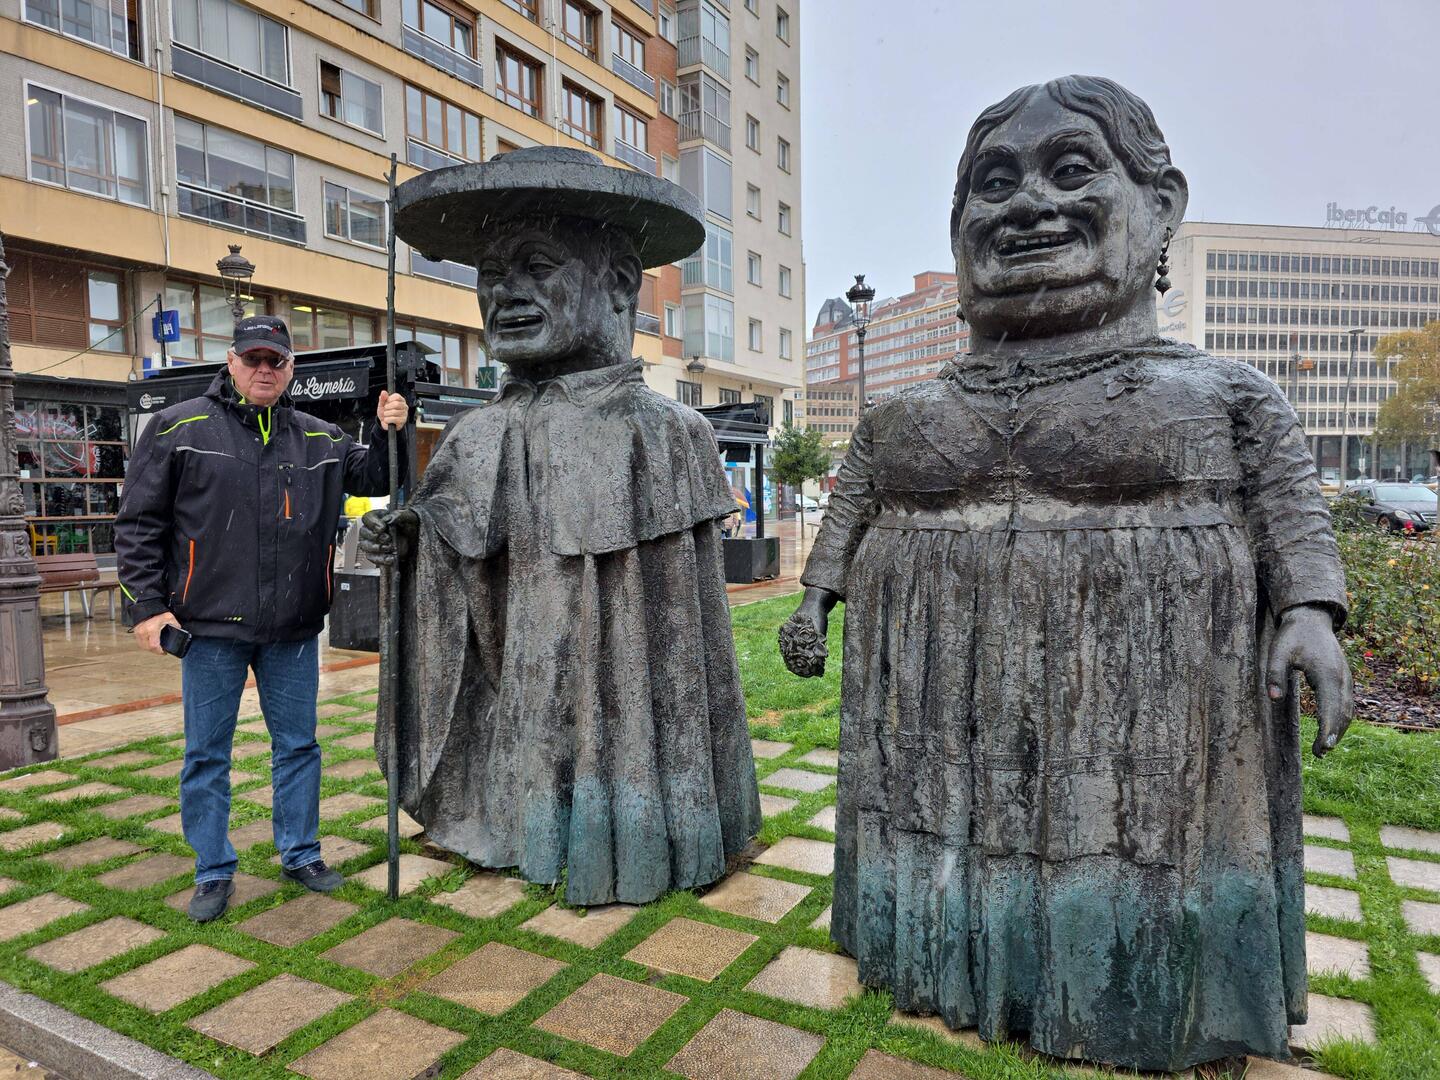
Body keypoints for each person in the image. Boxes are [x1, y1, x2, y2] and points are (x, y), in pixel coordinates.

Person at [780, 75, 1352, 1071]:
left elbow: (1289, 503)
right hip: (940, 704)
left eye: (1072, 169)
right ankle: (944, 960)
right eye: (993, 182)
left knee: (1122, 863)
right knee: (946, 835)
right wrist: (816, 595)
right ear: (959, 226)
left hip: (1147, 720)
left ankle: (1134, 1002)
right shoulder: (902, 415)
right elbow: (855, 499)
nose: (1028, 203)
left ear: (1160, 207)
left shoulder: (1220, 394)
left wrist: (1309, 608)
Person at [359, 146, 761, 906]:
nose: (505, 293)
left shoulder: (669, 434)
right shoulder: (477, 435)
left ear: (615, 284)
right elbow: (448, 552)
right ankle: (521, 824)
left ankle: (645, 835)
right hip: (528, 686)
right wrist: (406, 541)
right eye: (490, 275)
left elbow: (688, 643)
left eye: (537, 267)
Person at [115, 315, 408, 922]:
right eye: (253, 360)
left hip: (294, 627)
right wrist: (147, 607)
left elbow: (377, 476)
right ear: (231, 362)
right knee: (206, 754)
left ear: (291, 369)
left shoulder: (321, 438)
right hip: (208, 627)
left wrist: (389, 431)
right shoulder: (179, 427)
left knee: (299, 747)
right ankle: (213, 869)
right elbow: (138, 525)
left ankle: (300, 854)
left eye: (275, 361)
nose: (264, 370)